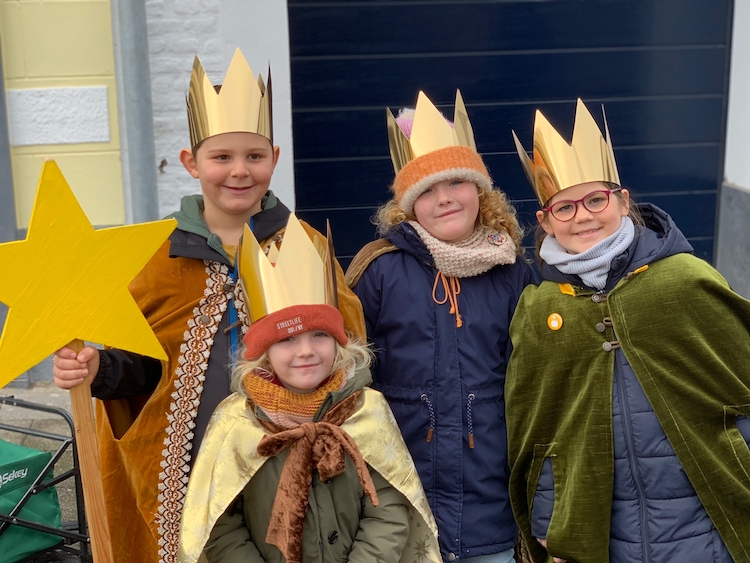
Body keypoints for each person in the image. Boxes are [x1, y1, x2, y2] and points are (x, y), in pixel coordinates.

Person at [51, 49, 364, 563]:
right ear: (191, 163)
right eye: (221, 158)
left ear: (275, 159)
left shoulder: (305, 244)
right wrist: (97, 369)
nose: (239, 171)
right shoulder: (156, 258)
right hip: (191, 471)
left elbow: (348, 348)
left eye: (254, 156)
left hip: (286, 468)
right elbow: (142, 367)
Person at [506, 99, 750, 563]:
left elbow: (742, 386)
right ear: (544, 220)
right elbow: (537, 426)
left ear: (622, 199)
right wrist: (549, 523)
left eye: (596, 200)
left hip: (701, 523)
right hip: (599, 529)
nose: (583, 216)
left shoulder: (684, 280)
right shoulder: (539, 309)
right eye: (564, 207)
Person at [177, 213, 440, 563]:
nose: (305, 351)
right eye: (286, 339)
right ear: (263, 353)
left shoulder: (366, 409)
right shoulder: (237, 422)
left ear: (339, 343)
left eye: (319, 335)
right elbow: (220, 524)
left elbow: (389, 508)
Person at [346, 91, 535, 563]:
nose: (445, 197)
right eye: (426, 190)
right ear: (408, 205)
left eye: (456, 181)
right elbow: (347, 374)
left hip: (490, 504)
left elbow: (535, 382)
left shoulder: (514, 272)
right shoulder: (379, 271)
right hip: (400, 500)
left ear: (480, 190)